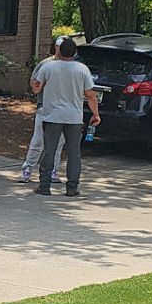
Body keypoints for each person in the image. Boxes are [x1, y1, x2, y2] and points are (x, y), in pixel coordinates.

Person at [31, 36, 99, 198]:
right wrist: (95, 114)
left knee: (50, 150)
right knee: (74, 152)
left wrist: (38, 83)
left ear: (59, 50)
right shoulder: (82, 69)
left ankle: (44, 185)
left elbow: (36, 89)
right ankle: (72, 187)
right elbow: (90, 95)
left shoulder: (48, 67)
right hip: (74, 117)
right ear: (75, 52)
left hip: (52, 115)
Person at [18, 39, 61, 186]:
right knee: (38, 141)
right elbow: (34, 83)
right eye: (60, 47)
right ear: (55, 47)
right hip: (46, 108)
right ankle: (27, 169)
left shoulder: (74, 66)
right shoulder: (45, 64)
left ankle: (53, 170)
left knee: (58, 143)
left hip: (63, 110)